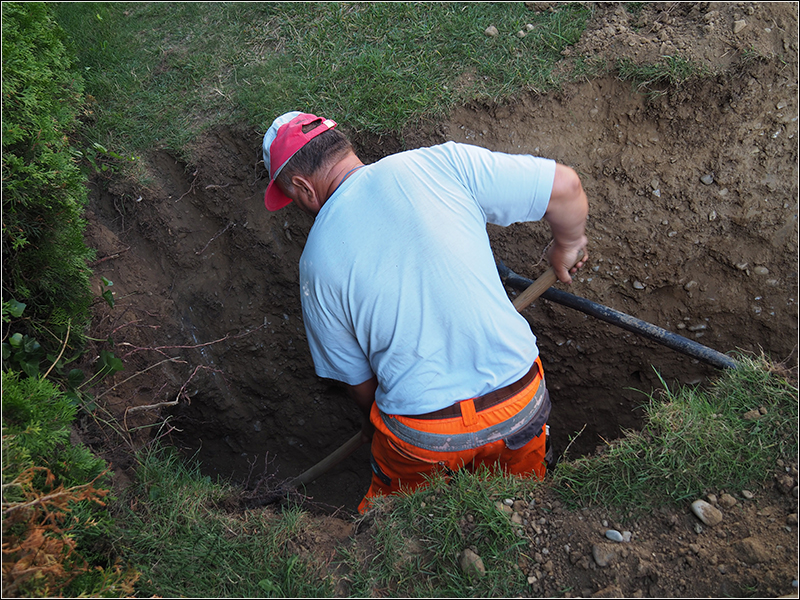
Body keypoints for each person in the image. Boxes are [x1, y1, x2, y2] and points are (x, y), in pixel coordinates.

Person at [261, 111, 588, 513]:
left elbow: (358, 381)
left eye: (292, 199)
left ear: (301, 187)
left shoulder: (315, 263)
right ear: (342, 148)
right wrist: (566, 246)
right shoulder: (441, 163)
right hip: (518, 403)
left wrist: (372, 426)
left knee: (391, 532)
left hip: (424, 436)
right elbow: (566, 186)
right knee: (519, 510)